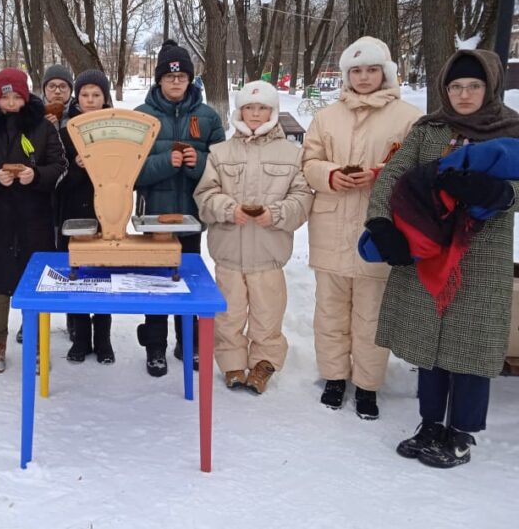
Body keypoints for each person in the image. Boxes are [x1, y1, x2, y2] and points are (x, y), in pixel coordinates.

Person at [364, 50, 519, 467]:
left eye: (473, 86)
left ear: (490, 88)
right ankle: (430, 422)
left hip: (479, 258)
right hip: (428, 254)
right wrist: (381, 222)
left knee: (469, 348)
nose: (463, 94)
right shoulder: (429, 129)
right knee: (428, 345)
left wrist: (504, 194)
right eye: (455, 86)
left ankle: (461, 433)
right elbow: (394, 174)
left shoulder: (511, 132)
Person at [302, 36, 420, 419]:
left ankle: (368, 385)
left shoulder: (407, 117)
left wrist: (380, 176)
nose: (364, 77)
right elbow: (309, 162)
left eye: (372, 69)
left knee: (371, 313)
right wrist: (331, 175)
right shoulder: (327, 116)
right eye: (356, 70)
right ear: (346, 75)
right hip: (331, 226)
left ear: (385, 72)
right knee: (330, 311)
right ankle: (335, 377)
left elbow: (416, 170)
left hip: (378, 228)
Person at [194, 81, 311, 393]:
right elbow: (205, 195)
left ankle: (263, 362)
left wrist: (277, 213)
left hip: (268, 254)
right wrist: (229, 209)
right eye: (249, 107)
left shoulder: (291, 154)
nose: (255, 114)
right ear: (240, 110)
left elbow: (302, 198)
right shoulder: (220, 152)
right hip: (229, 251)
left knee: (267, 314)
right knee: (228, 314)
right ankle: (232, 362)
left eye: (262, 108)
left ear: (273, 111)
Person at [134, 39, 225, 377]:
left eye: (182, 77)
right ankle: (155, 345)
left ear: (190, 80)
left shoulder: (208, 116)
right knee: (156, 281)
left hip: (191, 214)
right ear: (159, 80)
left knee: (186, 280)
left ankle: (188, 342)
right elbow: (127, 172)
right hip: (153, 215)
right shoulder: (142, 117)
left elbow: (223, 168)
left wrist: (195, 161)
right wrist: (165, 162)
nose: (176, 82)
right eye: (169, 77)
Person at [0, 68, 68, 373]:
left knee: (35, 280)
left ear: (26, 97)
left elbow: (60, 165)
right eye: (5, 97)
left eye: (16, 97)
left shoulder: (43, 128)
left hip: (34, 215)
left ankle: (37, 341)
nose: (11, 103)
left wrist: (35, 175)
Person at [55, 69, 115, 364]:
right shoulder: (65, 133)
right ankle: (80, 338)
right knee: (76, 273)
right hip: (72, 212)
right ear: (76, 98)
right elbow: (56, 177)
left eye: (96, 94)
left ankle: (103, 339)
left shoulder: (116, 129)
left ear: (105, 98)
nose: (90, 100)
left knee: (104, 272)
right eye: (84, 95)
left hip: (107, 211)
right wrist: (77, 166)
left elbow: (122, 172)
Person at [14, 63, 77, 345]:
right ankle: (32, 316)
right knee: (38, 259)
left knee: (71, 259)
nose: (57, 91)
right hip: (40, 197)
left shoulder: (78, 116)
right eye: (52, 86)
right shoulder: (34, 117)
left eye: (63, 86)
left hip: (73, 197)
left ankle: (74, 318)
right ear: (44, 89)